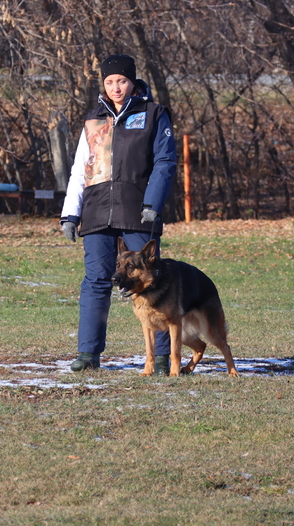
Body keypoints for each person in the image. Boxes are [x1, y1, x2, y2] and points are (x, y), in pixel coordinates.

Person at [60, 54, 177, 374]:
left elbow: (165, 162)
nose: (116, 87)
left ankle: (163, 357)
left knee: (152, 282)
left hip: (139, 212)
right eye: (110, 82)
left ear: (132, 82)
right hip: (97, 212)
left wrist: (152, 203)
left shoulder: (153, 114)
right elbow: (80, 168)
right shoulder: (93, 119)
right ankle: (88, 354)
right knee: (96, 281)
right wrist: (70, 214)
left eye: (122, 81)